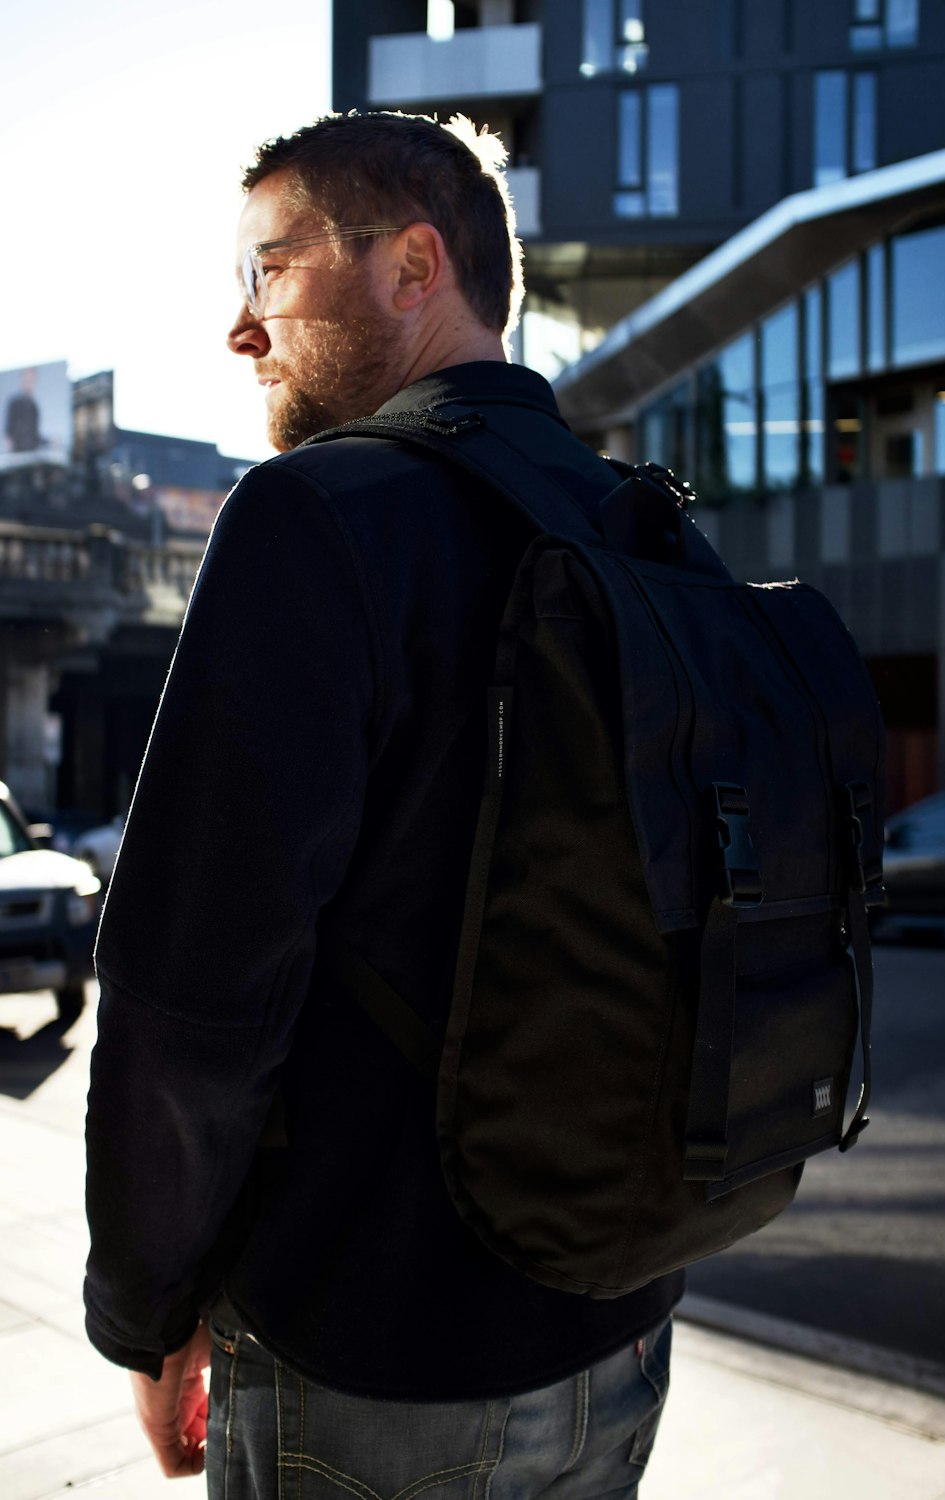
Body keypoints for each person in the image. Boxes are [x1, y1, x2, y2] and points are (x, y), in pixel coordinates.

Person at [84, 111, 684, 1496]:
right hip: (623, 1335)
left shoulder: (313, 516)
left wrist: (146, 1308)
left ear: (414, 266)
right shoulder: (637, 528)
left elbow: (189, 1004)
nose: (242, 330)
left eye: (267, 270)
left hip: (376, 1363)